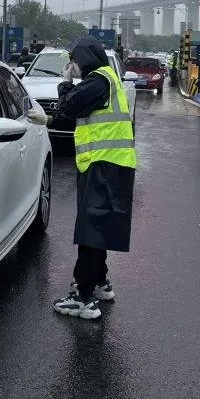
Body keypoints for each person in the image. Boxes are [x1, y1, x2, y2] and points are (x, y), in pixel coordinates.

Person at [51, 36, 136, 321]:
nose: (71, 66)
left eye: (73, 60)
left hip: (103, 165)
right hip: (113, 164)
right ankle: (100, 282)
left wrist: (65, 83)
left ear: (85, 58)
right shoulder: (107, 78)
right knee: (99, 226)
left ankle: (84, 297)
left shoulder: (97, 81)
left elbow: (68, 106)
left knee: (90, 230)